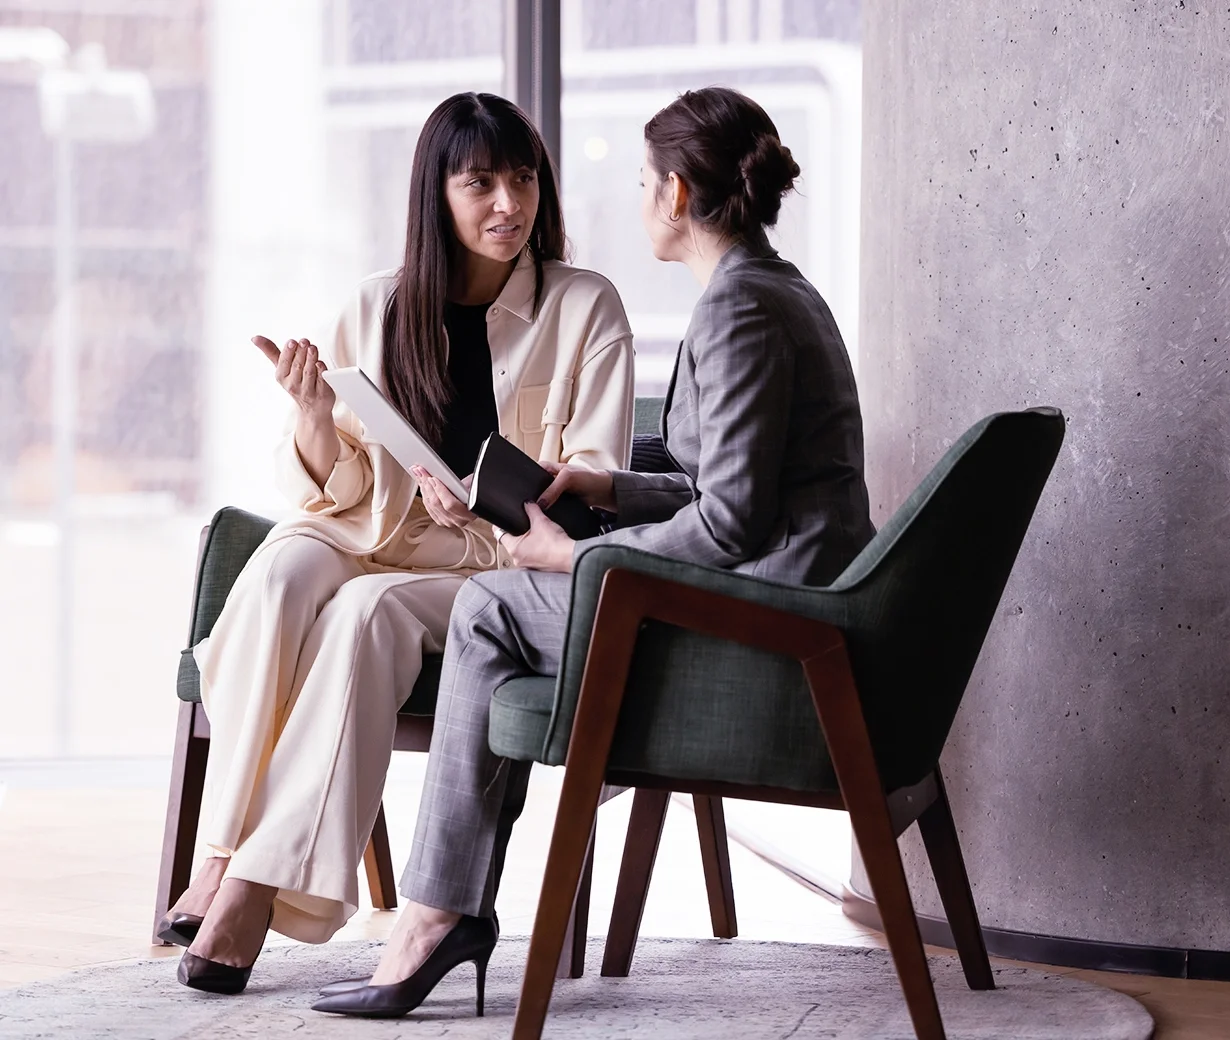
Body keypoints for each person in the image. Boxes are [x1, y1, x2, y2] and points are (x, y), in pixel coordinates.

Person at [312, 86, 875, 1019]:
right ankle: (446, 910)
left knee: (490, 607)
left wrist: (571, 559)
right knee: (495, 605)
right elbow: (735, 494)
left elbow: (731, 526)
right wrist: (602, 488)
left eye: (648, 180)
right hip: (788, 582)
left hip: (769, 613)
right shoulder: (772, 291)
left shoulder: (737, 311)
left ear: (679, 195)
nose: (641, 197)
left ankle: (434, 916)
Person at [160, 92, 635, 995]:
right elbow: (326, 484)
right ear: (437, 195)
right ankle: (221, 854)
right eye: (481, 183)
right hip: (371, 527)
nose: (509, 204)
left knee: (365, 612)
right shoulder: (376, 306)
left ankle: (251, 889)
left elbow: (595, 473)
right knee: (280, 575)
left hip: (490, 559)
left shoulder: (585, 306)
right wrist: (311, 417)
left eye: (524, 179)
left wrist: (489, 503)